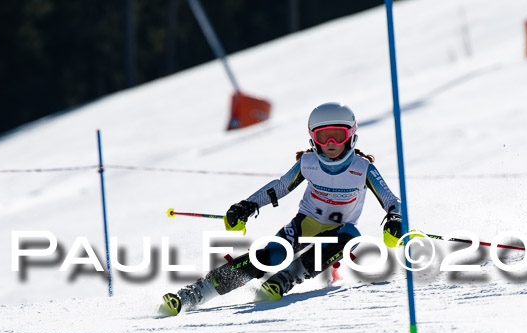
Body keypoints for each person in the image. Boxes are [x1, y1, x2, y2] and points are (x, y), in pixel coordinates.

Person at [159, 102, 403, 315]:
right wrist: (247, 206)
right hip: (303, 225)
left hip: (339, 232)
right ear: (312, 138)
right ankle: (193, 294)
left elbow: (392, 201)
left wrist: (394, 219)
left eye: (337, 136)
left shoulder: (362, 169)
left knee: (351, 237)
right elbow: (279, 187)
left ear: (351, 136)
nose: (330, 144)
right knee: (269, 255)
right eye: (323, 137)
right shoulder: (308, 163)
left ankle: (284, 280)